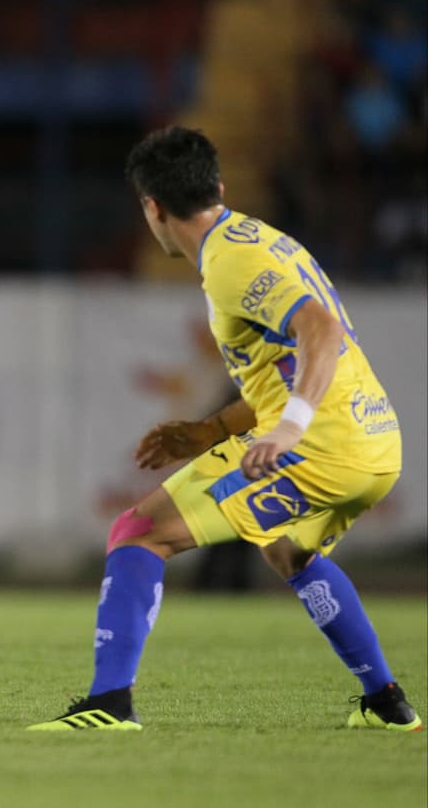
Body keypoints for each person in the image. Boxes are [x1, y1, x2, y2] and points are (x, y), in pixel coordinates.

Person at [29, 126, 420, 732]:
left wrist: (290, 429)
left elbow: (322, 331)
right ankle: (387, 704)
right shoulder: (258, 240)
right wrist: (211, 428)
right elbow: (284, 364)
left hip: (320, 442)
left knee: (137, 531)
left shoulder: (233, 261)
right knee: (288, 549)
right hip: (374, 444)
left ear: (152, 209)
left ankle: (110, 704)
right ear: (217, 185)